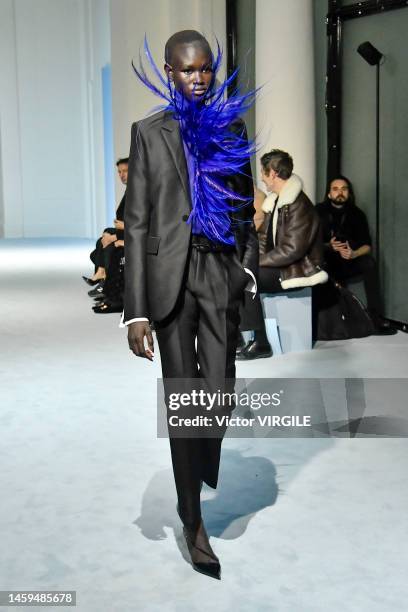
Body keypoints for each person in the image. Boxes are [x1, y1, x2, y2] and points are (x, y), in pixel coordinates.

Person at [121, 31, 258, 579]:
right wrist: (135, 310)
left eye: (204, 69)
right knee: (185, 401)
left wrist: (247, 267)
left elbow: (247, 207)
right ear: (169, 73)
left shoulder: (232, 126)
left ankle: (200, 459)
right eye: (186, 70)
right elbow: (135, 223)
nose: (197, 78)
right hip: (168, 280)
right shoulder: (148, 133)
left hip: (219, 271)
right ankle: (192, 519)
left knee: (218, 397)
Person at [238, 149, 328, 360]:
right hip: (282, 266)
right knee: (238, 273)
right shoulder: (276, 201)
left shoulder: (299, 205)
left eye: (263, 171)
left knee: (248, 278)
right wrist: (250, 261)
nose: (261, 177)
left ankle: (261, 342)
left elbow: (292, 250)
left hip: (297, 270)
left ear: (274, 173)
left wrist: (255, 264)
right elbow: (262, 239)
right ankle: (239, 338)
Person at [316, 176, 396, 334]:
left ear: (349, 193)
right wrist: (328, 246)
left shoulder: (357, 214)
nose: (340, 192)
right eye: (335, 189)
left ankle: (375, 317)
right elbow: (308, 242)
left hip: (349, 259)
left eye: (344, 189)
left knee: (369, 263)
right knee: (319, 265)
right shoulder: (318, 211)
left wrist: (354, 254)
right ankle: (326, 322)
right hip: (326, 259)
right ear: (329, 194)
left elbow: (367, 246)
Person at [83, 158, 128, 288]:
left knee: (105, 245)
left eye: (125, 171)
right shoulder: (129, 190)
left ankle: (103, 281)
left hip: (133, 234)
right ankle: (101, 275)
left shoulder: (137, 192)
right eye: (119, 172)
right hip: (126, 230)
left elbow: (140, 223)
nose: (121, 175)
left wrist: (115, 237)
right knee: (104, 235)